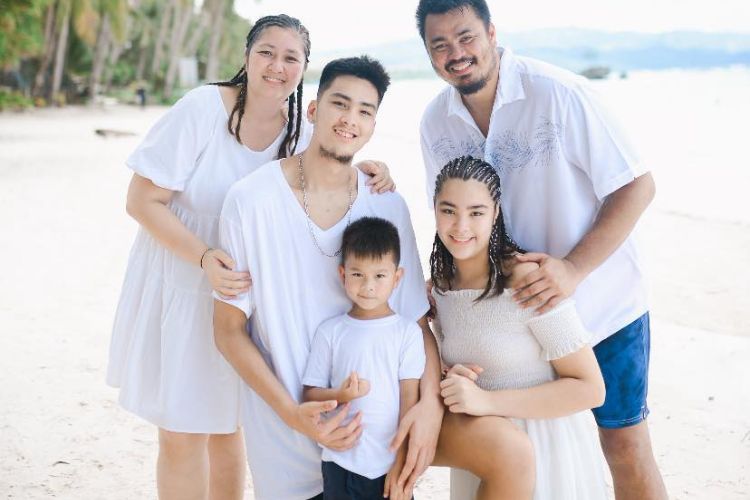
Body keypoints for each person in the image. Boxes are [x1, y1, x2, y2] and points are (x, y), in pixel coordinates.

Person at [213, 55, 535, 500]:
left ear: (373, 125)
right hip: (290, 431)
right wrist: (291, 413)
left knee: (509, 451)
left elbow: (415, 323)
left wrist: (429, 412)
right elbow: (229, 332)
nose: (350, 120)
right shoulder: (250, 201)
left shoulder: (385, 203)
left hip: (383, 439)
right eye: (339, 104)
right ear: (313, 110)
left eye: (365, 111)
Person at [106, 15, 392, 500]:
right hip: (184, 284)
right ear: (246, 56)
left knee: (228, 428)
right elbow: (140, 200)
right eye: (266, 52)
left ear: (304, 69)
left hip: (248, 303)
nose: (276, 66)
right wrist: (204, 258)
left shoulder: (303, 130)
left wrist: (373, 169)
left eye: (291, 58)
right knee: (181, 431)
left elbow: (330, 169)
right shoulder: (203, 108)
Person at [415, 1, 666, 499]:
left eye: (466, 37)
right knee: (521, 442)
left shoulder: (560, 95)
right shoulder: (434, 123)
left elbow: (637, 186)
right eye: (439, 44)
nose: (456, 53)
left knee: (625, 446)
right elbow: (451, 215)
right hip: (510, 325)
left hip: (601, 306)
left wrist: (572, 269)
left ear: (491, 32)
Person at [430, 155, 608, 499]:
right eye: (448, 210)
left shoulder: (526, 280)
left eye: (476, 212)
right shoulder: (440, 287)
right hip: (480, 451)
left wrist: (486, 401)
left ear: (496, 213)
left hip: (544, 448)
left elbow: (590, 388)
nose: (461, 226)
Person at [303, 216, 424, 500]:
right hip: (340, 462)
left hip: (387, 465)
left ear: (397, 278)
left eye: (379, 276)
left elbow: (410, 402)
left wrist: (403, 462)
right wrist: (340, 394)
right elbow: (310, 394)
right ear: (343, 275)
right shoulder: (330, 332)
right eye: (358, 274)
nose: (368, 286)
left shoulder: (406, 333)